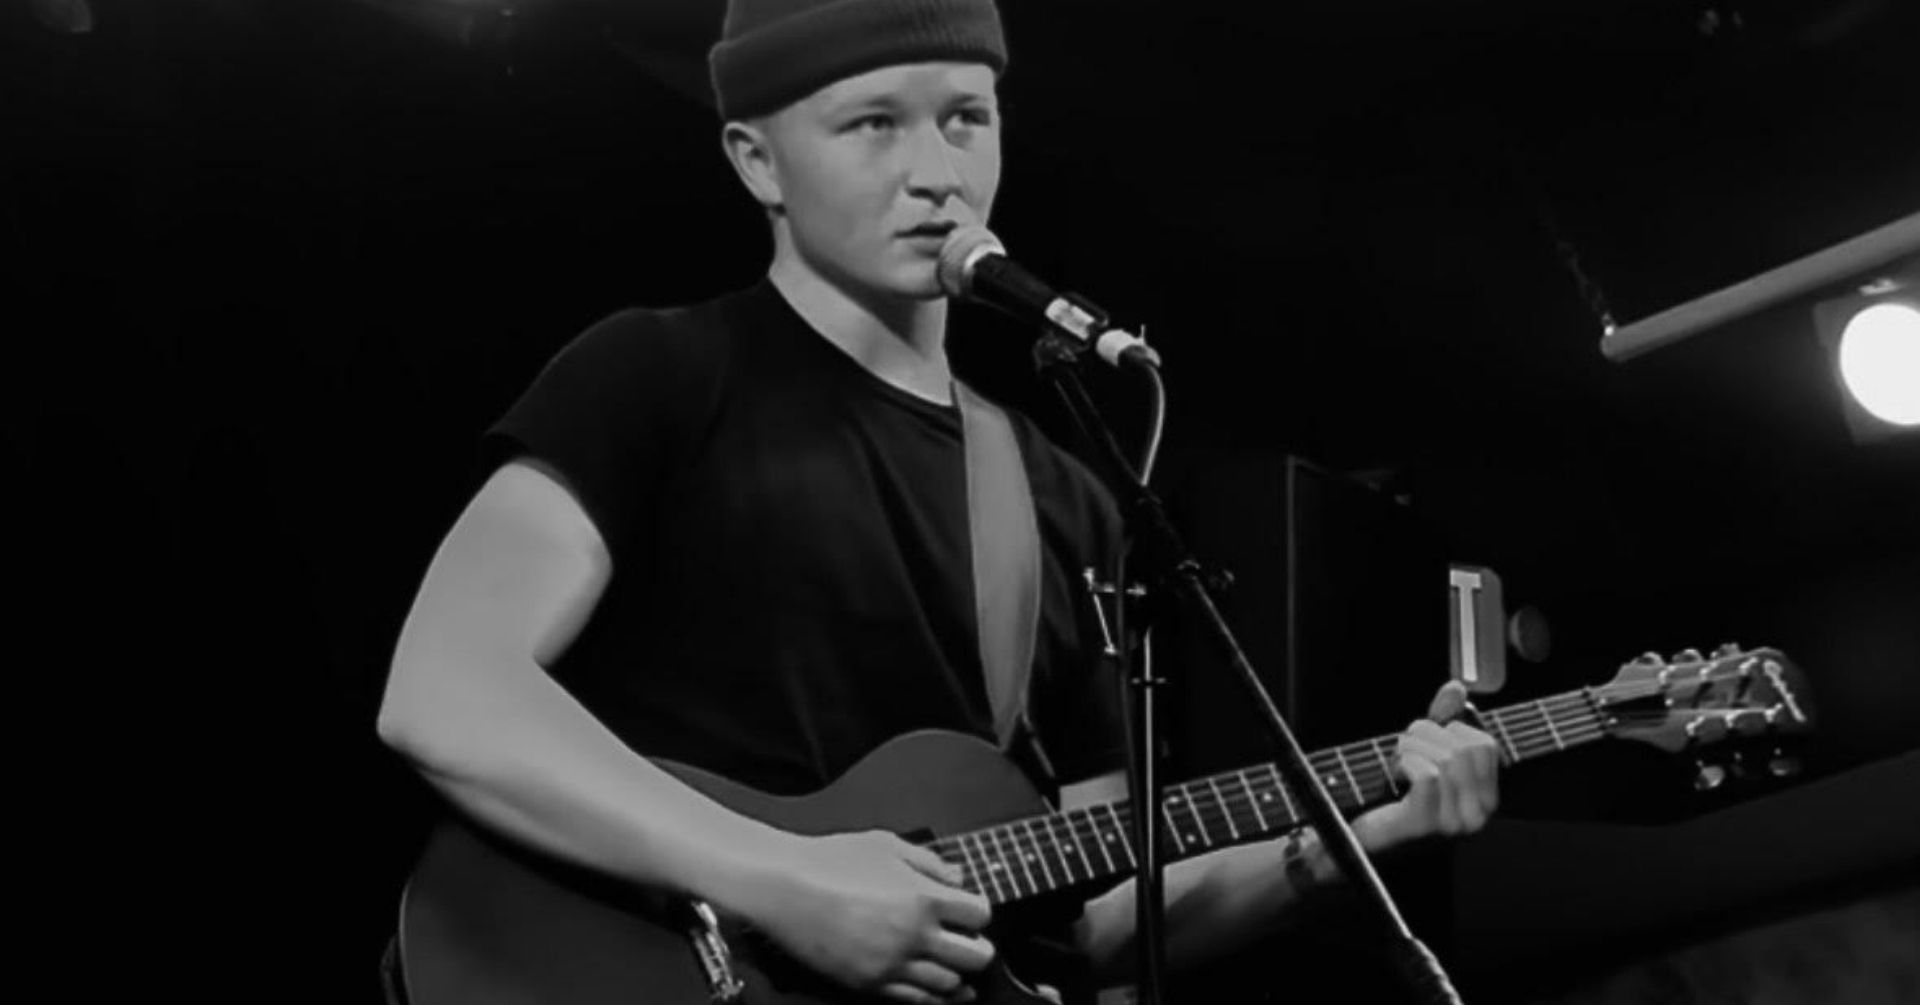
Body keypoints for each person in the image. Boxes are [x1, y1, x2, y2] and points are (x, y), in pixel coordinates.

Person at [375, 1, 1502, 1003]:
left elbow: (1094, 915)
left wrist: (1359, 838)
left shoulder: (1057, 492)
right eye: (875, 124)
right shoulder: (658, 376)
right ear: (758, 161)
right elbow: (444, 691)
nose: (937, 172)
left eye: (967, 116)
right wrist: (788, 881)